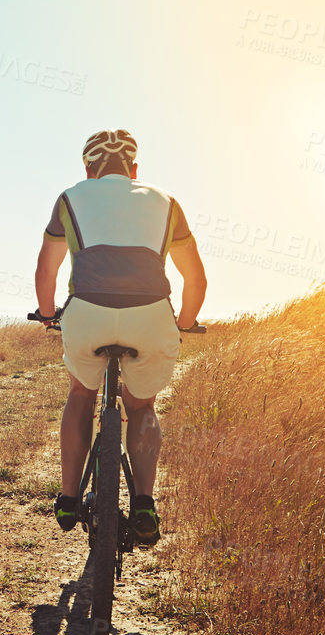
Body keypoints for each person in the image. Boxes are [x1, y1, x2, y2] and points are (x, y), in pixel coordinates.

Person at [33, 129, 207, 544]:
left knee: (80, 394)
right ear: (133, 169)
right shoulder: (167, 202)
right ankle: (144, 502)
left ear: (88, 169)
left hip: (88, 311)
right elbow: (195, 278)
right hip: (149, 316)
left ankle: (69, 497)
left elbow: (47, 271)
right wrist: (185, 321)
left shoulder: (70, 198)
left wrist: (46, 316)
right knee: (142, 404)